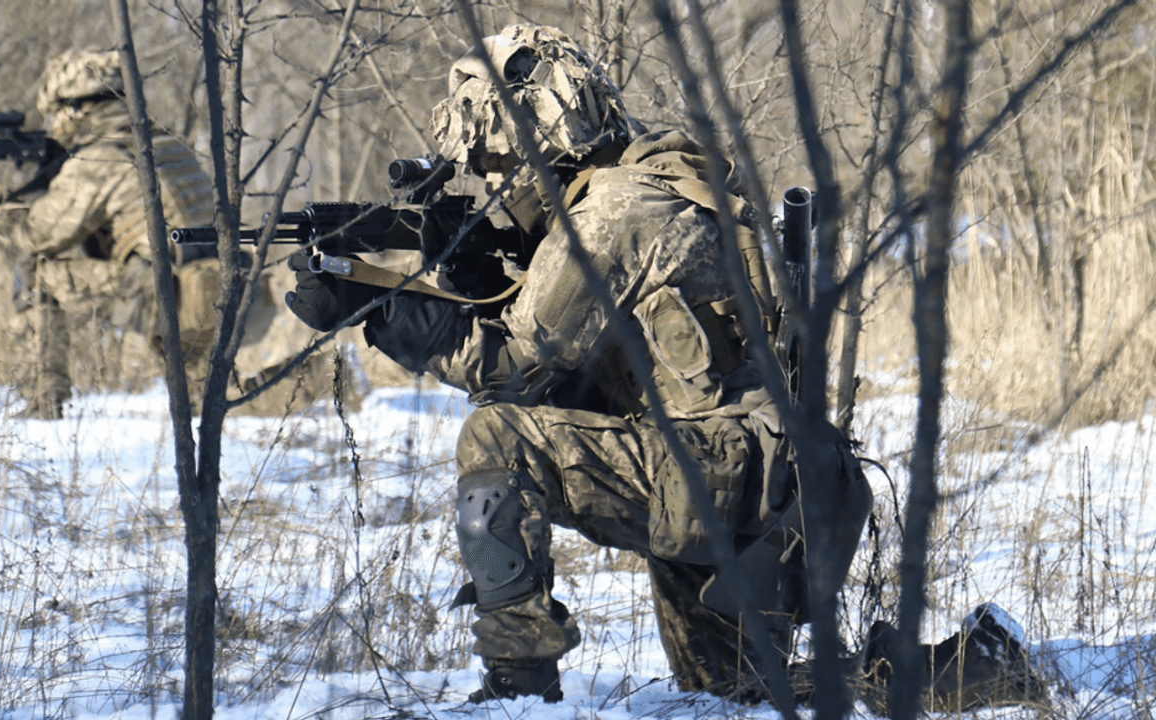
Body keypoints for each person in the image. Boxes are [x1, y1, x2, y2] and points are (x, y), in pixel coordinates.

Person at [284, 24, 1043, 711]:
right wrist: (472, 273)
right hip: (773, 486)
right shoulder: (660, 173)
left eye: (501, 164)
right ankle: (973, 669)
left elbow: (514, 373)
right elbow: (586, 364)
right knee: (736, 695)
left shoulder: (615, 210)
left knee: (496, 439)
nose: (496, 183)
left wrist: (377, 308)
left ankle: (517, 689)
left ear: (541, 140)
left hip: (722, 473)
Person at [13, 49, 287, 418]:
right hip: (228, 291)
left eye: (56, 112)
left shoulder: (100, 157)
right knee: (212, 404)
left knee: (35, 274)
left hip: (176, 298)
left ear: (75, 108)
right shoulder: (167, 143)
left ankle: (45, 402)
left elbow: (35, 237)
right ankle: (311, 382)